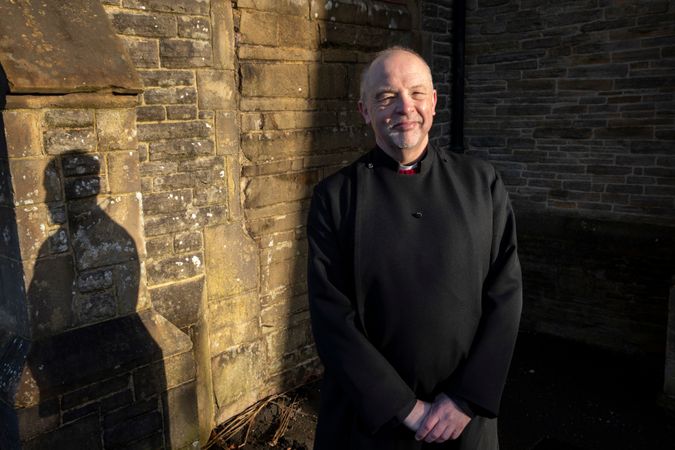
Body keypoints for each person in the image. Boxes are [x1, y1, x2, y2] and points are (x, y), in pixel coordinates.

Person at [306, 46, 523, 449]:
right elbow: (331, 316)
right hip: (371, 419)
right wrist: (406, 407)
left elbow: (505, 294)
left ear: (434, 102)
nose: (405, 107)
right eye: (386, 97)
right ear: (365, 111)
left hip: (463, 421)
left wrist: (466, 398)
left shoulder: (482, 183)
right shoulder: (335, 198)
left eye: (417, 93)